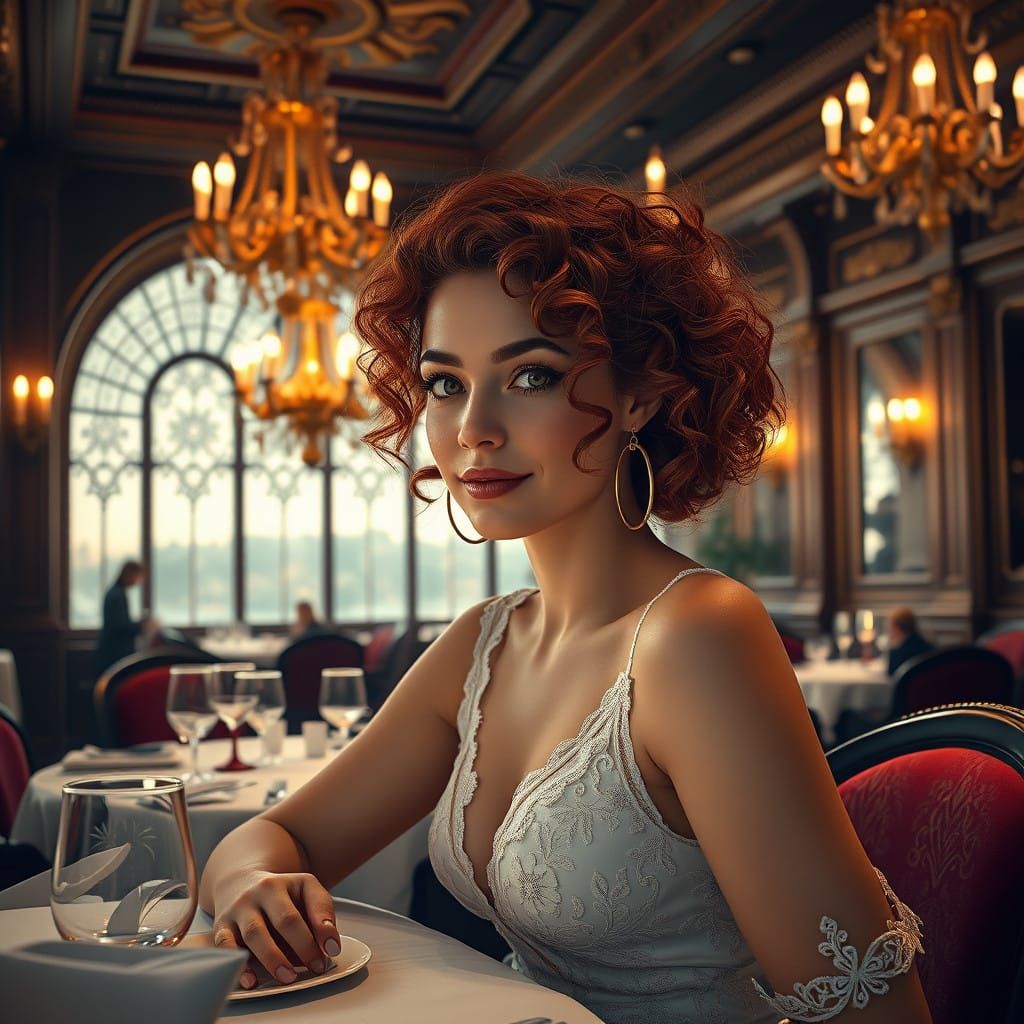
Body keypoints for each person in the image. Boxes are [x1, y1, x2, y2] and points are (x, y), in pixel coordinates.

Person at [199, 174, 931, 1023]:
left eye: (533, 375)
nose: (473, 426)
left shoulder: (696, 636)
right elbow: (273, 837)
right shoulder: (485, 641)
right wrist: (253, 885)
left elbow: (874, 1015)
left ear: (641, 394)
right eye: (444, 382)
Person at [93, 560, 152, 679]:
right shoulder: (117, 595)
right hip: (114, 651)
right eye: (138, 577)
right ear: (130, 575)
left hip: (112, 649)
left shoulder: (116, 592)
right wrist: (143, 625)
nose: (138, 581)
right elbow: (120, 625)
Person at [886, 606, 934, 677]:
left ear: (897, 627)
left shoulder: (898, 651)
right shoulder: (926, 644)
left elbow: (891, 675)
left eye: (890, 626)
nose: (888, 630)